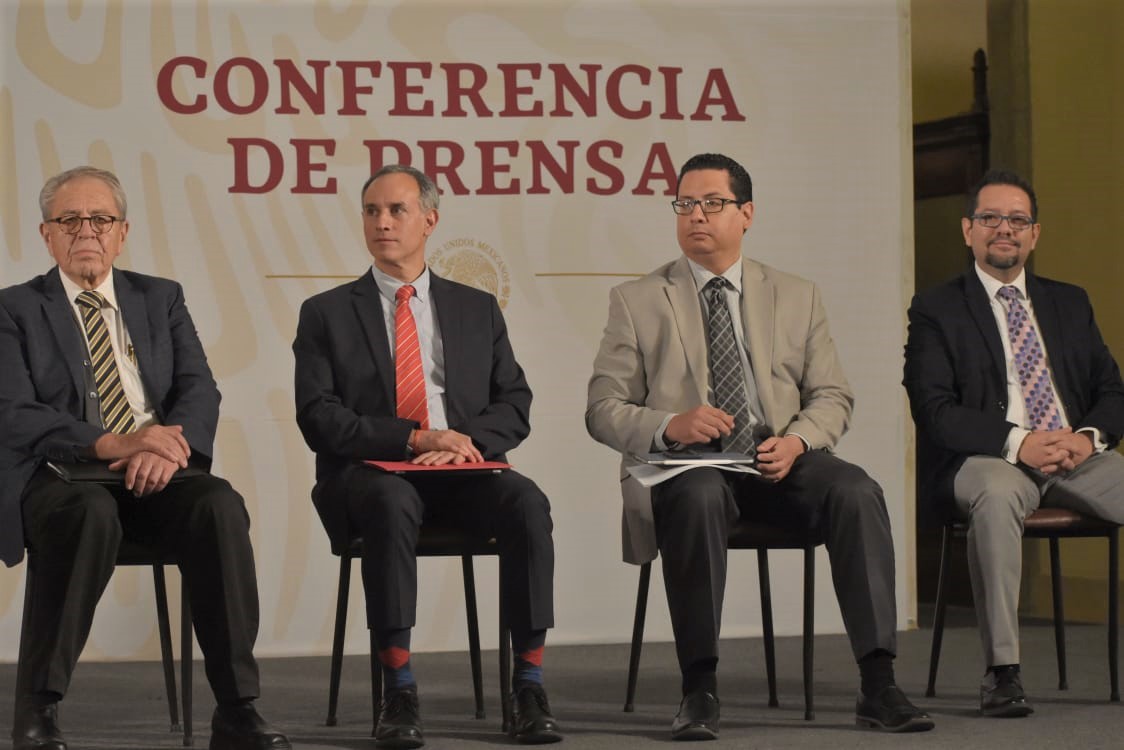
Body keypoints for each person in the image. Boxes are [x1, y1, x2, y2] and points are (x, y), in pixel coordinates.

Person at [586, 153, 933, 740]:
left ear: (746, 214)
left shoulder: (797, 294)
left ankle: (879, 683)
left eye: (713, 204)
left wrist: (798, 439)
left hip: (779, 459)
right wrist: (671, 424)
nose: (697, 215)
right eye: (685, 204)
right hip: (689, 466)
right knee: (696, 496)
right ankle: (699, 688)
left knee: (856, 490)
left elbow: (832, 394)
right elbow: (602, 409)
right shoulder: (638, 299)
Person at [0, 166, 289, 750]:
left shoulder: (160, 297)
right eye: (70, 219)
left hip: (155, 469)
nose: (87, 230)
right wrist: (113, 443)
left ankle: (237, 708)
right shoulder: (13, 309)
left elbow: (198, 388)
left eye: (101, 219)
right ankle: (39, 708)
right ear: (46, 234)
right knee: (89, 513)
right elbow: (13, 411)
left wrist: (169, 447)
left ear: (123, 231)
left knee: (218, 505)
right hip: (63, 475)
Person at [292, 165, 560, 747]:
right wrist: (415, 439)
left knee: (526, 502)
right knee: (390, 500)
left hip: (462, 471)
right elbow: (319, 417)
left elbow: (514, 402)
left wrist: (465, 444)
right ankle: (399, 689)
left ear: (430, 220)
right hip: (367, 476)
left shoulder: (477, 307)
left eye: (396, 210)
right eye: (371, 211)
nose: (382, 222)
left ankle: (530, 684)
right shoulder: (326, 312)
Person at [904, 168, 1124, 717]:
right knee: (997, 499)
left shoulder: (1070, 302)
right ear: (968, 230)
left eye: (1017, 220)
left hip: (1075, 456)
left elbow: (1111, 391)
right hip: (987, 460)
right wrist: (1019, 442)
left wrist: (1088, 437)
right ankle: (1003, 672)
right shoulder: (936, 308)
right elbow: (934, 411)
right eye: (991, 218)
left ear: (1034, 234)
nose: (1005, 228)